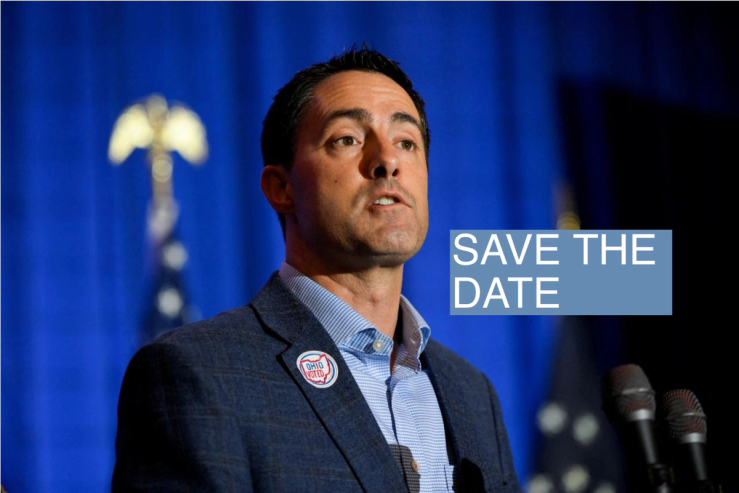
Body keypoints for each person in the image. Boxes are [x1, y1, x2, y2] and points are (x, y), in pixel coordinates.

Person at [113, 46, 522, 493]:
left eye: (406, 142)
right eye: (347, 139)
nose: (388, 160)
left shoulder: (473, 393)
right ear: (281, 188)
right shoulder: (198, 373)